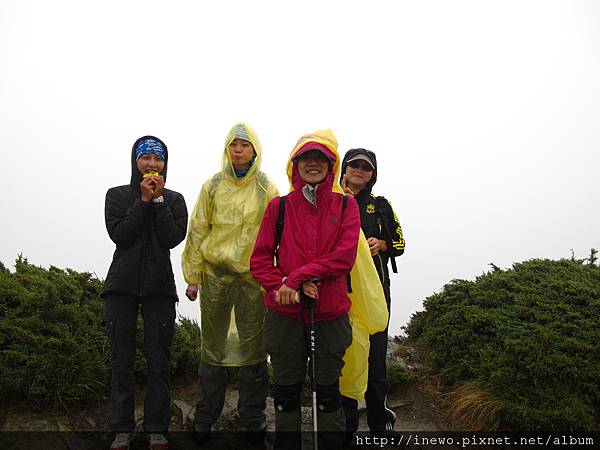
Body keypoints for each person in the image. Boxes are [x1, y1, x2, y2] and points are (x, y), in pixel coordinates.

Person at [250, 129, 361, 450]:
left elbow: (343, 258)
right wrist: (282, 285)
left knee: (327, 393)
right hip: (284, 315)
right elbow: (258, 262)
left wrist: (296, 278)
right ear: (294, 165)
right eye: (306, 158)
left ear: (331, 165)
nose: (313, 163)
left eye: (320, 158)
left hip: (330, 313)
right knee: (285, 394)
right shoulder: (279, 207)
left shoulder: (345, 207)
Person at [181, 123, 278, 444]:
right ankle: (206, 417)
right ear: (226, 149)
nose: (238, 150)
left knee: (254, 351)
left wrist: (276, 280)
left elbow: (278, 235)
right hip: (216, 281)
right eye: (233, 144)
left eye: (244, 145)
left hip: (254, 282)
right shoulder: (212, 186)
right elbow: (198, 230)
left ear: (255, 150)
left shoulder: (266, 188)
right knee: (213, 351)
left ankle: (254, 417)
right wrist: (193, 277)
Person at [102, 136, 188, 450]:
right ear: (135, 161)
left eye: (158, 159)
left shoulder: (175, 199)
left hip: (160, 290)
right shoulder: (117, 195)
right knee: (121, 361)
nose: (152, 164)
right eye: (146, 158)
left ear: (165, 164)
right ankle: (121, 430)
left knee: (158, 362)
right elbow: (120, 235)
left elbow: (172, 238)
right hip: (120, 288)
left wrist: (159, 201)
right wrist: (141, 200)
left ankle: (156, 430)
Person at [339, 148, 405, 435]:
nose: (359, 171)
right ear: (344, 167)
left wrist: (384, 244)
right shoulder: (331, 199)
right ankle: (346, 424)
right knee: (344, 357)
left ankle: (381, 423)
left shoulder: (381, 205)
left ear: (372, 174)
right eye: (354, 165)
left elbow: (401, 243)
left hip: (376, 292)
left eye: (366, 167)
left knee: (376, 359)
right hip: (339, 292)